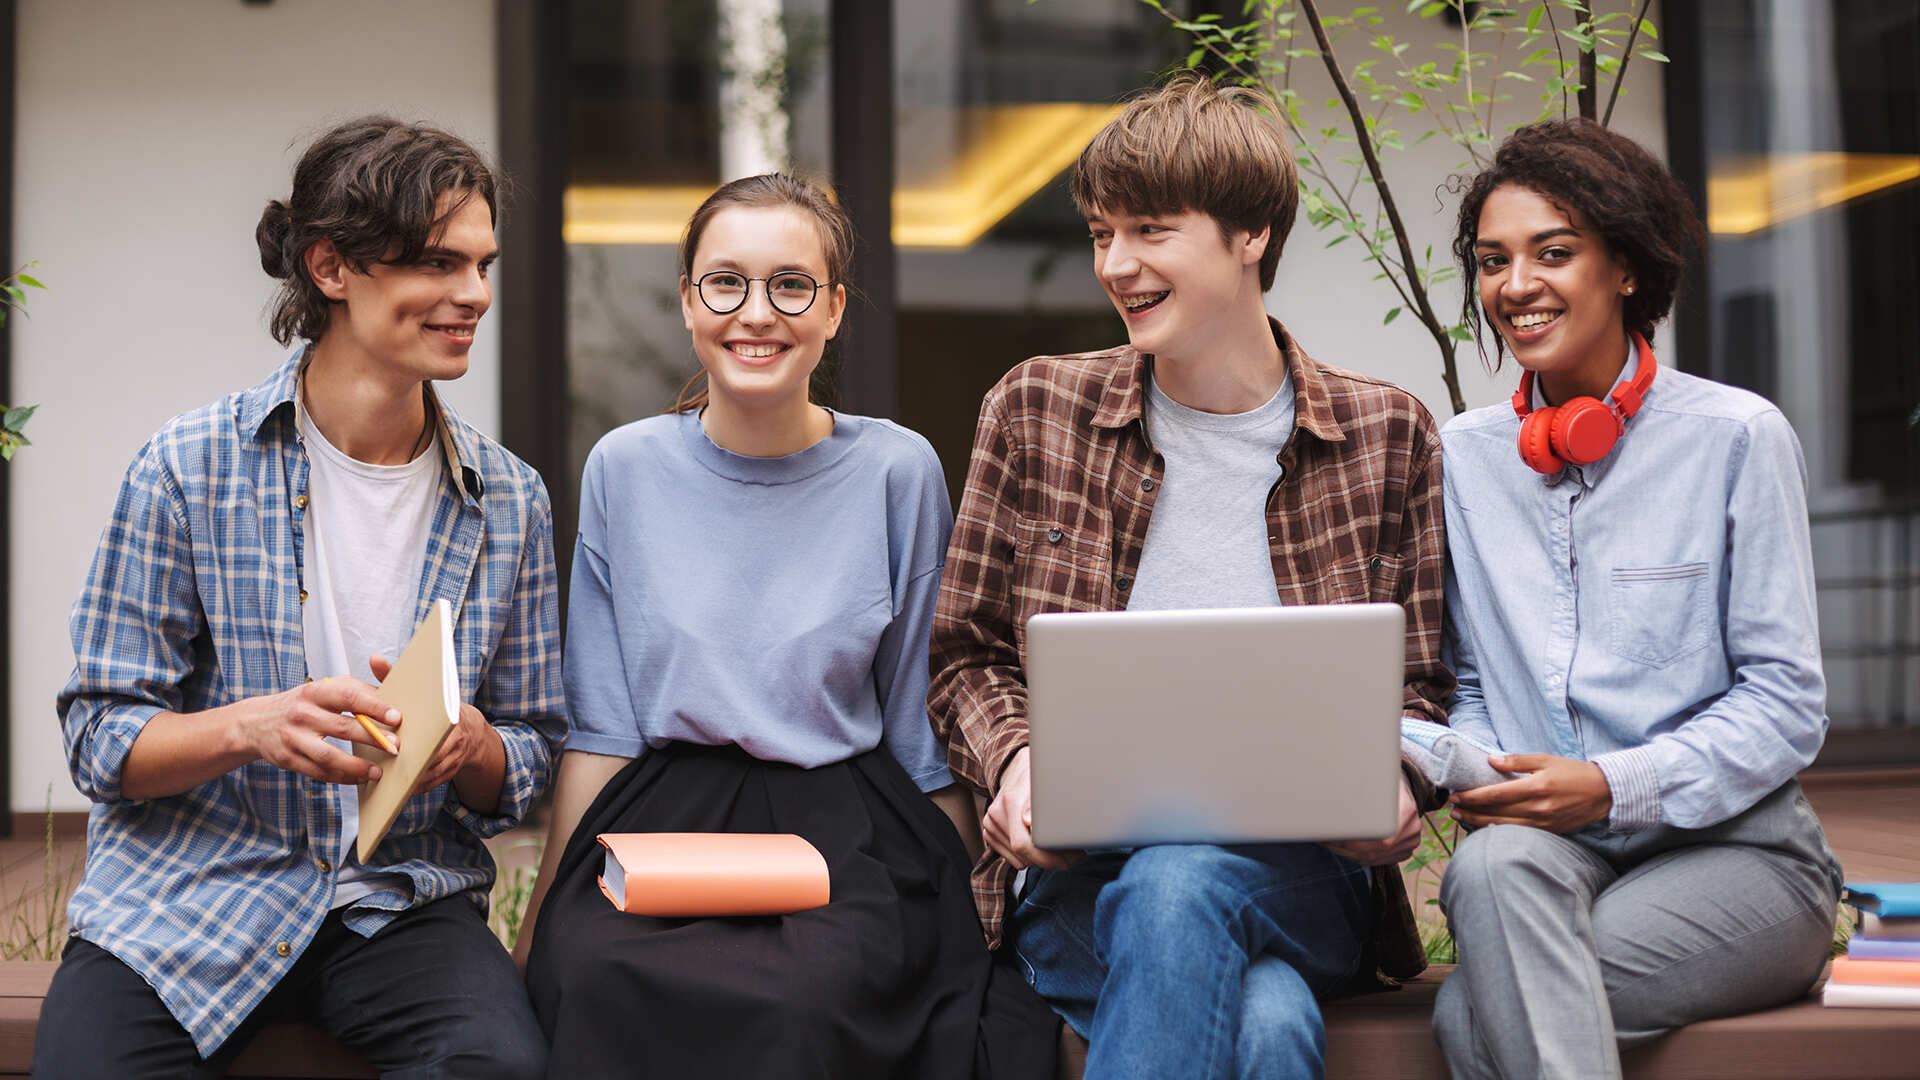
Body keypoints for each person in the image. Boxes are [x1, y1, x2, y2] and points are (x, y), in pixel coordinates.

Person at [928, 73, 1454, 1080]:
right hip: (1078, 879)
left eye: (1150, 232)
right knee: (1265, 1025)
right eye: (1099, 235)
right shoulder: (1036, 409)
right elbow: (966, 656)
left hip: (1312, 875)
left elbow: (1424, 682)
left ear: (1251, 234)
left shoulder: (1388, 434)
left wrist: (1402, 775)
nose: (1116, 265)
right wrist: (1017, 763)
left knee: (1178, 890)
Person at [37, 117, 561, 1078]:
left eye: (484, 265)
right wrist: (255, 727)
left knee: (500, 1066)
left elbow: (532, 752)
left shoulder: (510, 499)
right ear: (331, 267)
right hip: (186, 898)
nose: (474, 295)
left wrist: (475, 746)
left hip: (398, 899)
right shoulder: (187, 469)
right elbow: (99, 737)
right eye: (439, 263)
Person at [517, 173, 1054, 1079]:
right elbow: (603, 731)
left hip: (845, 822)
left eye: (790, 285)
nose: (755, 313)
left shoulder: (899, 470)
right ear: (689, 302)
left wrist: (979, 908)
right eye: (725, 283)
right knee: (596, 977)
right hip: (662, 821)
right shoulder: (625, 469)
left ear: (835, 309)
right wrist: (539, 928)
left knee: (813, 999)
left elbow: (917, 728)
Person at [1428, 118, 1843, 1078]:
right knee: (1490, 873)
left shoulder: (1737, 437)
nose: (1515, 285)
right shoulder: (1464, 458)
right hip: (1542, 860)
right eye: (1493, 261)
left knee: (1474, 1013)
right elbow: (1472, 678)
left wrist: (1614, 784)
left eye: (1553, 252)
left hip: (1743, 859)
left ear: (1625, 267)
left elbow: (1785, 704)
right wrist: (1480, 762)